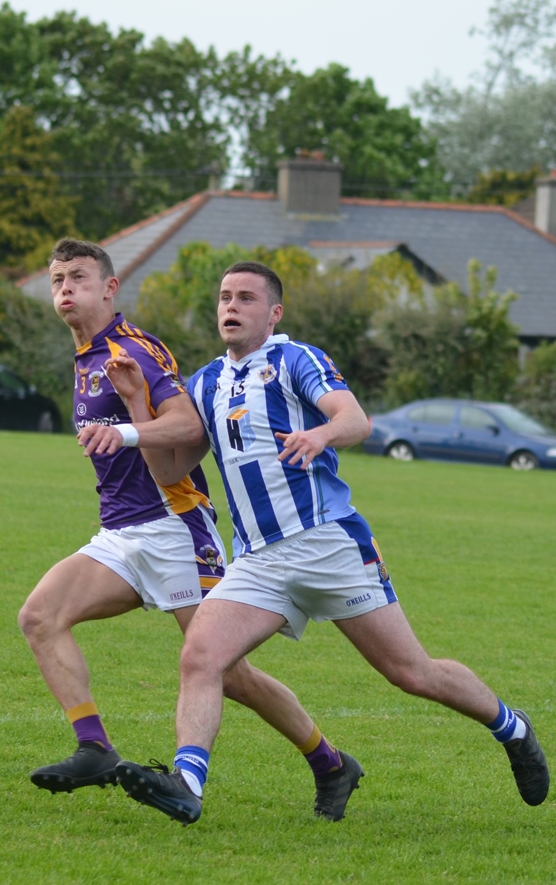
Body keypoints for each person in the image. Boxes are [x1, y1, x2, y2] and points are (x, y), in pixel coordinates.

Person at [82, 260, 549, 825]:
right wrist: (137, 404)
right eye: (225, 297)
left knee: (410, 673)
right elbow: (170, 469)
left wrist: (321, 432)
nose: (231, 306)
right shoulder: (205, 381)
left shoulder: (294, 359)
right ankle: (187, 783)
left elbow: (355, 420)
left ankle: (511, 727)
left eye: (247, 298)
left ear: (273, 313)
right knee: (201, 658)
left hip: (327, 543)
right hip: (258, 560)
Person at [18, 240, 365, 822]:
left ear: (110, 287)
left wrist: (127, 431)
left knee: (227, 674)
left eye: (78, 278)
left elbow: (184, 423)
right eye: (57, 281)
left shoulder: (135, 349)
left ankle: (330, 762)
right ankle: (94, 747)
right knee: (40, 617)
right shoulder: (84, 357)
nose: (65, 290)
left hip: (177, 527)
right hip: (122, 532)